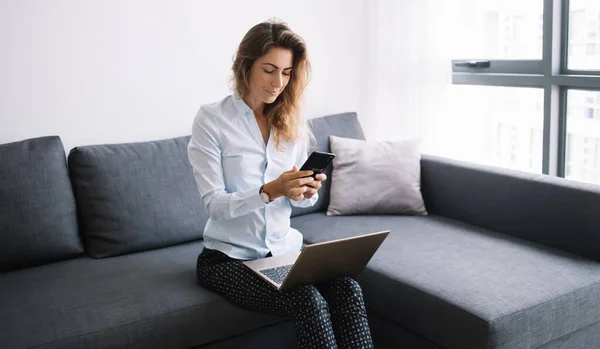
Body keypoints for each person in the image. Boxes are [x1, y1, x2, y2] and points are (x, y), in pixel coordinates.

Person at [187, 19, 374, 349]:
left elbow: (298, 202)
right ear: (245, 66)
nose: (278, 83)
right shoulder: (212, 119)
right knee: (308, 300)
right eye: (269, 70)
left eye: (286, 73)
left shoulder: (290, 120)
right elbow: (214, 205)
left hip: (284, 252)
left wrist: (304, 192)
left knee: (348, 288)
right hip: (228, 260)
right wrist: (270, 190)